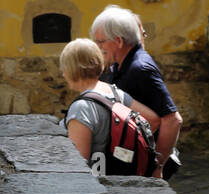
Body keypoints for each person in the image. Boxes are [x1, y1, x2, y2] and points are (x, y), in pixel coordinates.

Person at [92, 5, 181, 179]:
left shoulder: (140, 69)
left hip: (142, 163)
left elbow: (172, 120)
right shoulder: (121, 64)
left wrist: (157, 166)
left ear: (118, 41)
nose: (98, 47)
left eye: (101, 42)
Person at [60, 38, 161, 171]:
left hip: (98, 184)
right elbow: (153, 120)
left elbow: (78, 163)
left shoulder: (81, 108)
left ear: (71, 69)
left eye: (64, 68)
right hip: (122, 177)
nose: (63, 74)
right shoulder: (116, 93)